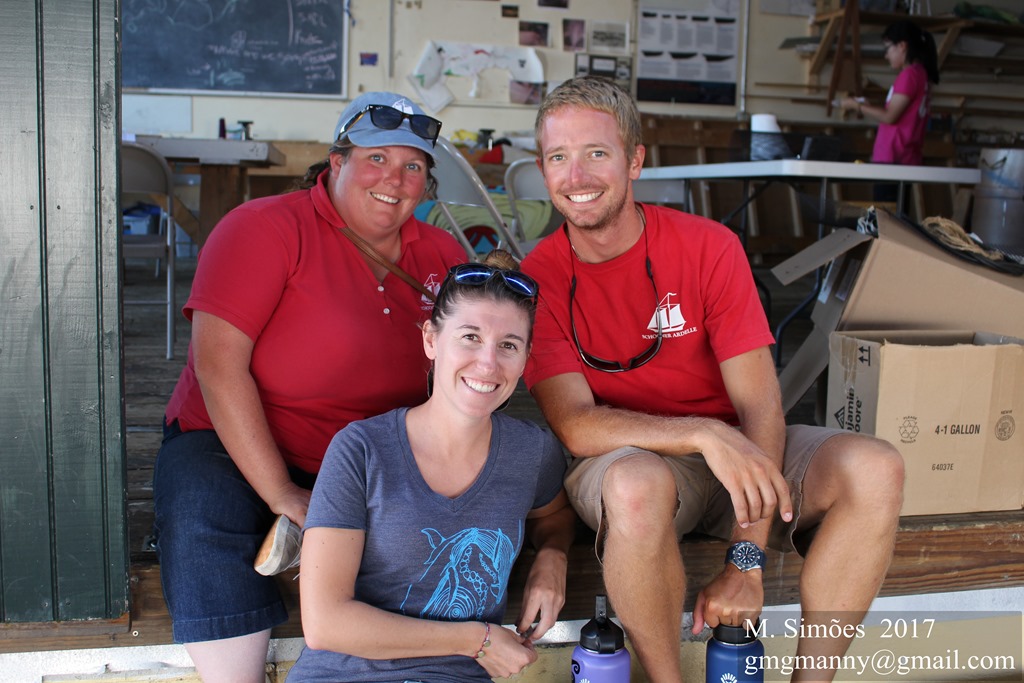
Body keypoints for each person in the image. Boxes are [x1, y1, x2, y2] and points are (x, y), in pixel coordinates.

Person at [520, 76, 905, 682]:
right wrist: (701, 433)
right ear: (542, 169)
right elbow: (574, 425)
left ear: (634, 161)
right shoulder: (537, 277)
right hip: (633, 461)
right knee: (636, 486)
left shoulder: (708, 247)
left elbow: (760, 408)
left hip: (738, 457)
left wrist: (745, 559)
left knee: (875, 468)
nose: (577, 176)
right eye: (557, 157)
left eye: (596, 152)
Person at [152, 91, 468, 683]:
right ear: (337, 163)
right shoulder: (263, 227)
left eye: (413, 166)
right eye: (376, 159)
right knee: (202, 517)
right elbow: (218, 368)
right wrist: (282, 493)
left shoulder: (443, 255)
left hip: (365, 449)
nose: (394, 179)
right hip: (230, 435)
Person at [286, 252, 576, 682]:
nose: (488, 363)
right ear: (430, 339)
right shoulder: (362, 449)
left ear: (525, 358)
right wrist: (475, 641)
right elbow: (325, 622)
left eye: (508, 345)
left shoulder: (531, 452)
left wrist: (553, 555)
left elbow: (554, 514)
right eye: (470, 337)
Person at [840, 20, 939, 167]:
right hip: (907, 156)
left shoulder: (909, 75)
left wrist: (856, 106)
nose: (886, 55)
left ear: (902, 46)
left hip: (894, 155)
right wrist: (868, 106)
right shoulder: (921, 74)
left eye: (888, 48)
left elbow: (889, 117)